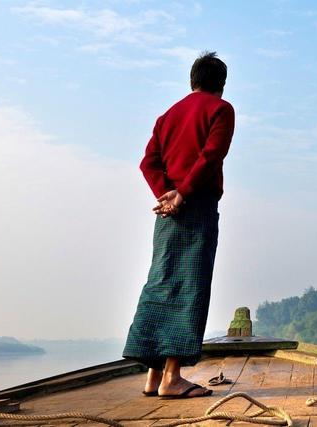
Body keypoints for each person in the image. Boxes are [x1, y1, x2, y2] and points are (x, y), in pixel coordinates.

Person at [122, 51, 235, 398]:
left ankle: (152, 378)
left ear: (192, 80)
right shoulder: (221, 109)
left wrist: (165, 193)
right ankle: (172, 379)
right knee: (190, 286)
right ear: (221, 84)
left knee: (160, 283)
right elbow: (211, 155)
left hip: (167, 210)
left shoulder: (167, 115)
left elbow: (148, 161)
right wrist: (183, 194)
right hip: (195, 205)